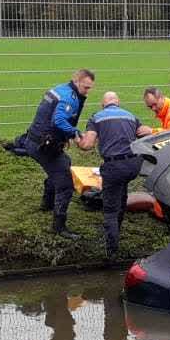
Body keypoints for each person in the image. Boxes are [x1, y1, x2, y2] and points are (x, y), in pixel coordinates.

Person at [21, 68, 94, 236]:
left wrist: (62, 139)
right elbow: (58, 120)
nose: (87, 91)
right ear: (76, 81)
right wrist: (74, 133)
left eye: (90, 88)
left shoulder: (60, 89)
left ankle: (47, 204)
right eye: (85, 87)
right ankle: (59, 227)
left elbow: (47, 118)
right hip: (42, 146)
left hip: (33, 140)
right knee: (66, 183)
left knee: (64, 164)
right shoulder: (70, 98)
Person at [78, 90, 143, 257]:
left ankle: (111, 252)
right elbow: (144, 133)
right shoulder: (131, 116)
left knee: (110, 210)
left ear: (103, 104)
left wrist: (77, 138)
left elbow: (87, 145)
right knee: (122, 194)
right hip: (133, 165)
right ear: (118, 103)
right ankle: (117, 229)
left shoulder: (96, 117)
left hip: (114, 167)